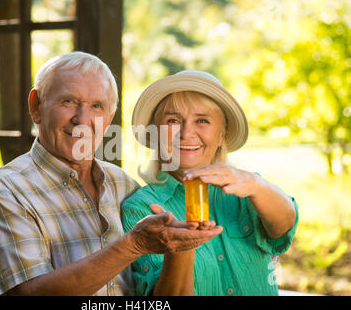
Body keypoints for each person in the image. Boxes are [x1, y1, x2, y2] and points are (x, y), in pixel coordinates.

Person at [0, 52, 222, 296]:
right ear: (36, 106)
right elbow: (31, 293)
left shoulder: (123, 185)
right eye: (68, 101)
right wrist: (133, 244)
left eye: (97, 106)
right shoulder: (5, 191)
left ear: (109, 117)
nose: (82, 119)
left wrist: (180, 246)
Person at [121, 70, 299, 296]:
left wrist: (256, 184)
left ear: (222, 133)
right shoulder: (141, 208)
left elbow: (284, 227)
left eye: (202, 120)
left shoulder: (247, 188)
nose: (186, 133)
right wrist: (181, 247)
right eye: (173, 121)